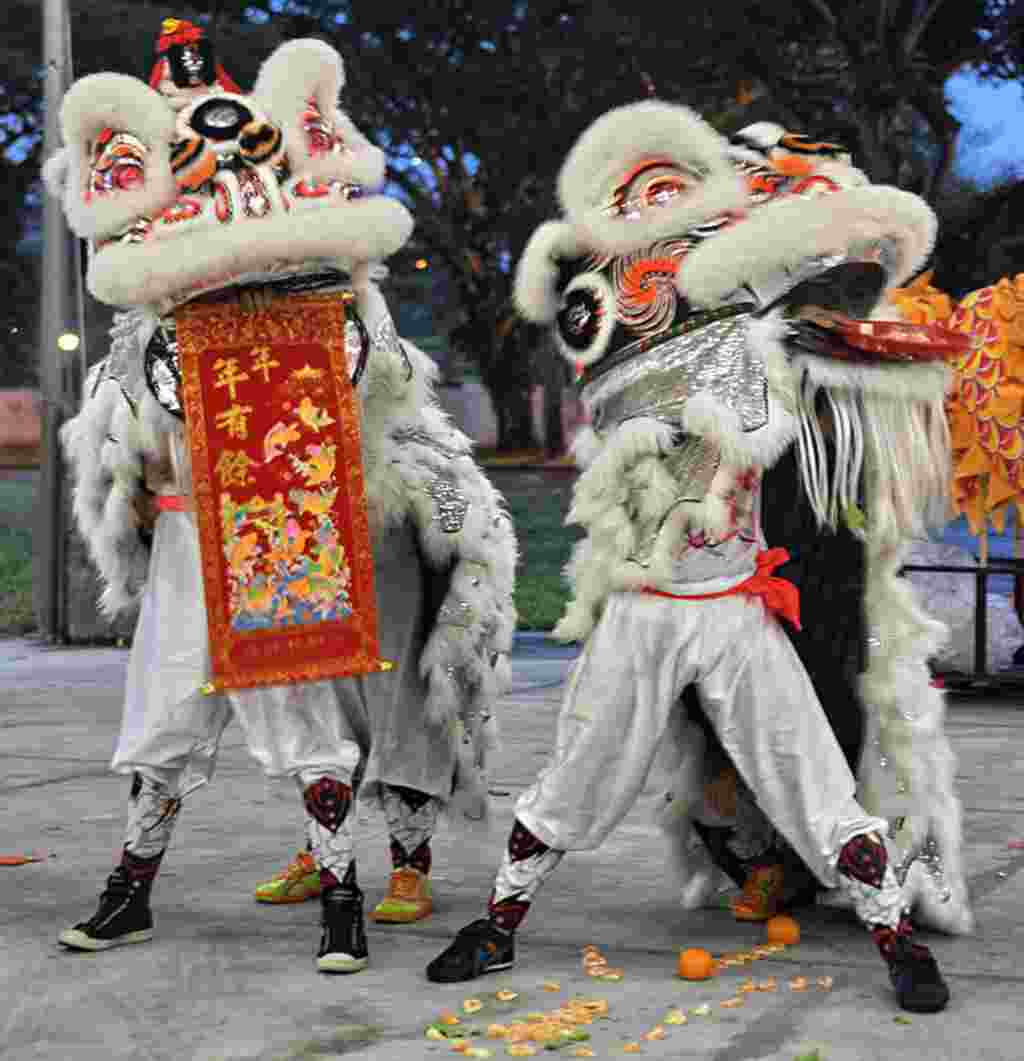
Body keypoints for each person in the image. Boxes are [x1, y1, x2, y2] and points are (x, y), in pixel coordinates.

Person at [426, 100, 963, 1013]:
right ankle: (499, 922)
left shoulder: (756, 333)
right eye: (633, 202)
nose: (652, 215)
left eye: (669, 193)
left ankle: (896, 938)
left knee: (813, 776)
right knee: (578, 772)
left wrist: (795, 279)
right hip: (643, 606)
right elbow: (618, 352)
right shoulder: (626, 344)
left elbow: (860, 273)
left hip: (737, 606)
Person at [44, 24, 515, 972]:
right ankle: (130, 893)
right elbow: (123, 467)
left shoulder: (335, 321)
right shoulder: (142, 340)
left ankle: (344, 896)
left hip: (281, 534)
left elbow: (375, 404)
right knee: (164, 728)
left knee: (309, 728)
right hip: (187, 544)